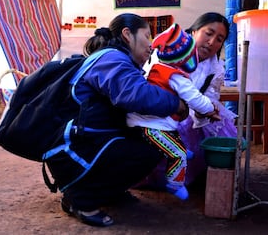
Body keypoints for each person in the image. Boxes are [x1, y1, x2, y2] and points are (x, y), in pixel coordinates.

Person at [50, 13, 188, 227]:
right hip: (74, 149)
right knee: (150, 147)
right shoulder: (112, 59)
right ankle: (79, 199)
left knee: (147, 140)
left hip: (86, 142)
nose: (151, 45)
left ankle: (108, 192)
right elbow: (138, 96)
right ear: (127, 34)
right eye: (146, 35)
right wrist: (177, 104)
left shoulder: (117, 59)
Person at [139, 12, 239, 188]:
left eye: (219, 39)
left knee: (221, 126)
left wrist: (205, 112)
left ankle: (205, 171)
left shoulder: (214, 69)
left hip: (190, 112)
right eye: (209, 33)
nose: (211, 42)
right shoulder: (170, 50)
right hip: (157, 110)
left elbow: (209, 97)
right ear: (194, 31)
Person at [126, 23, 220, 201]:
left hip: (150, 123)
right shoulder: (175, 76)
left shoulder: (158, 69)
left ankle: (181, 150)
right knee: (178, 155)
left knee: (175, 135)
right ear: (185, 56)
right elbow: (195, 98)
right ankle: (174, 185)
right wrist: (209, 109)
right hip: (149, 126)